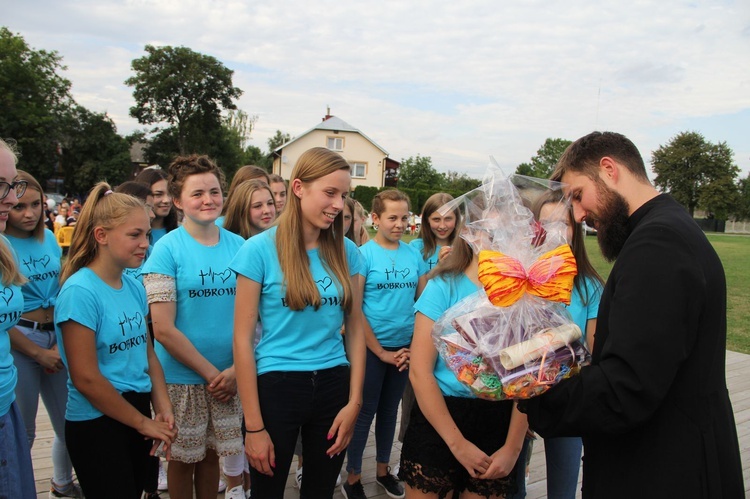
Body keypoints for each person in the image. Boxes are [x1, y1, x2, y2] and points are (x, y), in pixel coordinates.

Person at [518, 131, 745, 498]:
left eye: (577, 195)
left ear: (609, 169)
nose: (579, 214)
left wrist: (533, 390)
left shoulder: (658, 244)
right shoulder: (669, 228)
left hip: (663, 469)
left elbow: (627, 387)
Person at [231, 147, 366, 498]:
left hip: (334, 385)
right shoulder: (258, 250)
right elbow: (243, 341)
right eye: (330, 192)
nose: (338, 204)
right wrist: (254, 428)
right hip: (277, 387)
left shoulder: (348, 252)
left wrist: (354, 403)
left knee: (320, 491)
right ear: (298, 188)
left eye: (344, 195)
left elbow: (354, 329)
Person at [55, 182, 176, 498]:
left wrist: (161, 408)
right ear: (101, 236)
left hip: (135, 411)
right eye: (134, 235)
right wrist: (142, 423)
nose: (145, 244)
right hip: (97, 421)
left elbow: (147, 354)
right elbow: (86, 379)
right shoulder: (80, 293)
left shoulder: (134, 286)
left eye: (147, 234)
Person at [142, 155, 246, 499]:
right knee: (182, 460)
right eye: (197, 193)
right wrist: (211, 374)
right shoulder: (165, 250)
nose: (208, 200)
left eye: (214, 192)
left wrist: (233, 371)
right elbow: (163, 329)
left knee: (214, 457)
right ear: (177, 201)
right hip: (181, 379)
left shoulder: (242, 248)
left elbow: (255, 317)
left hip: (230, 376)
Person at [401, 230, 527, 499]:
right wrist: (457, 444)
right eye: (491, 231)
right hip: (440, 417)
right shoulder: (444, 286)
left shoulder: (522, 294)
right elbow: (420, 371)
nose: (500, 239)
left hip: (498, 422)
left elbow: (530, 380)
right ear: (472, 232)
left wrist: (513, 448)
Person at [508, 190, 604, 499]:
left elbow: (593, 352)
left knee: (563, 487)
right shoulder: (519, 280)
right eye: (545, 223)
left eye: (563, 223)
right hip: (516, 399)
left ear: (576, 228)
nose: (554, 231)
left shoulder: (589, 286)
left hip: (568, 399)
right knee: (511, 485)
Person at [343, 189, 428, 499]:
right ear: (375, 219)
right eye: (392, 217)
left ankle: (382, 470)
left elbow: (423, 299)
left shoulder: (412, 255)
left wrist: (412, 347)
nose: (399, 224)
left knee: (390, 412)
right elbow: (356, 307)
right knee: (364, 412)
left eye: (404, 217)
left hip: (404, 348)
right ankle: (352, 476)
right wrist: (379, 351)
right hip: (371, 349)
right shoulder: (363, 255)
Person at [4, 170, 82, 498]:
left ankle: (61, 484)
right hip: (19, 340)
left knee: (68, 424)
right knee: (24, 431)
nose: (30, 213)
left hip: (55, 336)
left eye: (36, 204)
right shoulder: (2, 243)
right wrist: (37, 353)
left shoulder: (48, 236)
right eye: (20, 206)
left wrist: (59, 343)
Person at [0, 140, 36, 499]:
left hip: (5, 399)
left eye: (13, 185)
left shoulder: (3, 246)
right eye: (1, 186)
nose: (10, 199)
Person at [135, 168, 178, 245]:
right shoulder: (131, 233)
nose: (167, 200)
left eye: (170, 194)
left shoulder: (180, 232)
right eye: (158, 194)